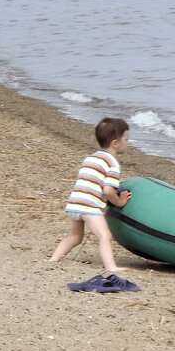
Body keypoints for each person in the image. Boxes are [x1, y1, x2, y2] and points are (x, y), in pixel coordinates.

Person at [50, 117, 132, 273]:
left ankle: (54, 258)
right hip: (89, 206)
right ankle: (111, 267)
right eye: (126, 139)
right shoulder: (112, 163)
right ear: (115, 143)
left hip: (74, 204)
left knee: (75, 237)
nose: (128, 143)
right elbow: (108, 190)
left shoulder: (90, 158)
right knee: (105, 236)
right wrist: (119, 203)